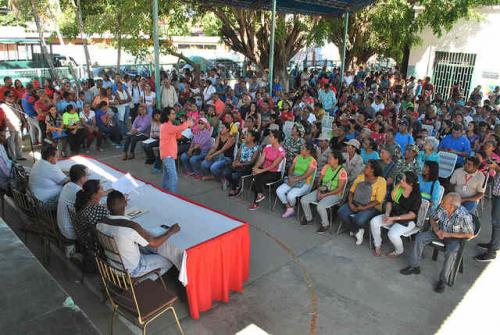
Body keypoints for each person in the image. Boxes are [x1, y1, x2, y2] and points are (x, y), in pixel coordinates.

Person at [400, 193, 475, 293]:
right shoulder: (442, 207)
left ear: (452, 206)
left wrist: (448, 234)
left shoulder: (464, 215)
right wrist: (436, 229)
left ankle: (442, 280)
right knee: (420, 237)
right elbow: (432, 217)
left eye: (444, 201)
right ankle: (414, 266)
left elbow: (470, 234)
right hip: (439, 231)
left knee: (451, 252)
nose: (441, 202)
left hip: (453, 237)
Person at [96, 191, 180, 279]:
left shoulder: (100, 223)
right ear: (125, 203)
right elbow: (155, 243)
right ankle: (141, 282)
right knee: (169, 261)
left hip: (112, 264)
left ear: (107, 206)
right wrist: (171, 231)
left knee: (147, 247)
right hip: (132, 269)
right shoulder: (131, 226)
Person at [370, 171, 422, 257]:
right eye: (401, 179)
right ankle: (377, 245)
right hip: (393, 215)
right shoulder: (398, 188)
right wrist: (387, 214)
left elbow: (412, 215)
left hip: (407, 221)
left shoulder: (416, 196)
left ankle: (399, 251)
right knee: (374, 221)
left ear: (411, 184)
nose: (400, 181)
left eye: (403, 180)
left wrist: (393, 218)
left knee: (392, 234)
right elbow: (390, 202)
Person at [337, 159, 387, 245]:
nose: (364, 167)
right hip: (355, 202)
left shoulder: (381, 181)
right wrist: (350, 203)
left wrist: (364, 207)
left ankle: (355, 225)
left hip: (371, 206)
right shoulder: (360, 177)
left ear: (373, 170)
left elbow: (378, 200)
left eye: (367, 167)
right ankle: (357, 230)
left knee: (359, 220)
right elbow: (351, 191)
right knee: (341, 212)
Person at [300, 150, 348, 232]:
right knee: (304, 200)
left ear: (336, 160)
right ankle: (309, 218)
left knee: (320, 206)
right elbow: (319, 181)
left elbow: (339, 189)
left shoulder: (342, 172)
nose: (328, 159)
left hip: (335, 194)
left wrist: (325, 195)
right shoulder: (326, 167)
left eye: (330, 158)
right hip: (322, 190)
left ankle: (325, 224)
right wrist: (318, 191)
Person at [74, 179, 110, 270]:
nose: (103, 189)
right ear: (94, 195)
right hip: (95, 245)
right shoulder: (98, 210)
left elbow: (98, 208)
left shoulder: (84, 203)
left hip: (84, 241)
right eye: (101, 188)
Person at [276, 143, 317, 218]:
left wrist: (294, 179)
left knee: (290, 196)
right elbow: (291, 168)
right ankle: (289, 208)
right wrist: (290, 176)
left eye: (303, 148)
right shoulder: (298, 157)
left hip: (304, 182)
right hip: (293, 178)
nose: (301, 149)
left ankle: (292, 206)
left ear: (308, 151)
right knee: (279, 191)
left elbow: (306, 175)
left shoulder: (313, 161)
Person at [248, 129, 285, 211]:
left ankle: (256, 202)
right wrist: (256, 167)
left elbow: (273, 166)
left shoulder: (281, 151)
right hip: (265, 170)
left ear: (276, 139)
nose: (269, 138)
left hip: (275, 173)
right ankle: (259, 195)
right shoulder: (267, 147)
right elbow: (261, 159)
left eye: (271, 136)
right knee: (256, 176)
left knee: (258, 179)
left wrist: (260, 171)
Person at [56, 164, 88, 254]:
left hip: (62, 226)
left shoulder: (68, 185)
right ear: (82, 179)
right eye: (87, 176)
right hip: (69, 232)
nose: (88, 178)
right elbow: (92, 208)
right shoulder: (79, 192)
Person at [159, 107, 193, 193]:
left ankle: (165, 191)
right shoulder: (166, 126)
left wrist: (181, 125)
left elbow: (178, 136)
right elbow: (177, 129)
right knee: (173, 176)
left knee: (167, 175)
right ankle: (173, 196)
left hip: (169, 154)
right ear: (168, 116)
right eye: (173, 114)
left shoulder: (170, 125)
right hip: (168, 154)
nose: (175, 115)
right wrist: (187, 123)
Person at [474, 159, 500, 262]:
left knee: (497, 223)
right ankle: (494, 244)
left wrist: (496, 167)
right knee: (495, 222)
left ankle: (492, 252)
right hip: (497, 191)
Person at [224, 129, 260, 196]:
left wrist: (241, 164)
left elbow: (252, 161)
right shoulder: (243, 144)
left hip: (247, 166)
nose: (245, 136)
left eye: (247, 135)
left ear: (253, 138)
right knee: (226, 172)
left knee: (235, 175)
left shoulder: (256, 148)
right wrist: (236, 161)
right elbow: (238, 154)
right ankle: (236, 184)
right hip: (239, 163)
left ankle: (235, 188)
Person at [0, 124, 12, 190]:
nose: (4, 138)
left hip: (8, 172)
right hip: (5, 180)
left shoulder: (1, 145)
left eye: (5, 135)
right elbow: (5, 170)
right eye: (2, 136)